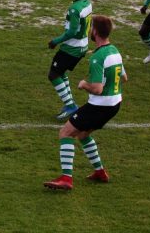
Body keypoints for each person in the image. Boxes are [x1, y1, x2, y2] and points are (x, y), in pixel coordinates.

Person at [44, 15, 125, 191]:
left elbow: (97, 89)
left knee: (66, 132)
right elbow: (124, 77)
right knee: (82, 134)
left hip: (99, 106)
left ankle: (66, 178)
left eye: (91, 28)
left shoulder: (98, 57)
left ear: (95, 31)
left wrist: (83, 85)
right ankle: (100, 172)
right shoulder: (115, 51)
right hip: (114, 105)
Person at [47, 0, 92, 120]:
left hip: (71, 48)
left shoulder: (74, 9)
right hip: (82, 46)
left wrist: (56, 41)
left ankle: (70, 106)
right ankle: (70, 104)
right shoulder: (87, 3)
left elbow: (72, 32)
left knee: (53, 75)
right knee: (61, 72)